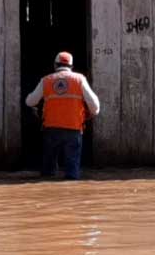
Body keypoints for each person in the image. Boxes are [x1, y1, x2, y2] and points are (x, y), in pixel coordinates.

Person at [25, 51, 100, 180]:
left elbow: (30, 101)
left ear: (55, 65)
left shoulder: (46, 80)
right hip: (74, 129)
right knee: (72, 173)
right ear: (71, 66)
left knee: (48, 173)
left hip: (51, 129)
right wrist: (90, 114)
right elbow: (95, 107)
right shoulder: (79, 79)